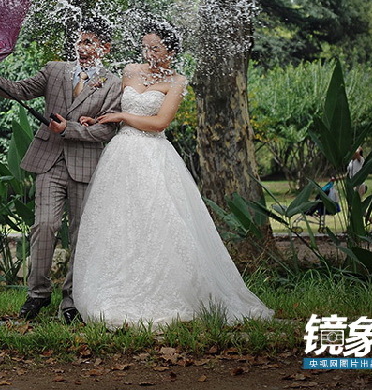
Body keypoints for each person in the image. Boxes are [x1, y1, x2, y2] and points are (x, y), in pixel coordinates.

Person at [71, 23, 273, 327]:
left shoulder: (177, 81)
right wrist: (97, 118)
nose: (149, 54)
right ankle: (118, 286)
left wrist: (123, 116)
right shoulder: (130, 70)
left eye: (156, 48)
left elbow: (160, 122)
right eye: (145, 48)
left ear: (171, 51)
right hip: (121, 155)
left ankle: (171, 291)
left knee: (160, 220)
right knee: (120, 222)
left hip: (153, 155)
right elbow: (112, 106)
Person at [0, 18, 122, 323]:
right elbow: (20, 89)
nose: (83, 48)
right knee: (44, 225)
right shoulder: (55, 70)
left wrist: (67, 128)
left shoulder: (113, 84)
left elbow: (106, 132)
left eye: (90, 43)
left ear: (105, 48)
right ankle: (37, 294)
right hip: (48, 162)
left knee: (80, 234)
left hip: (86, 166)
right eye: (80, 41)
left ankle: (71, 300)